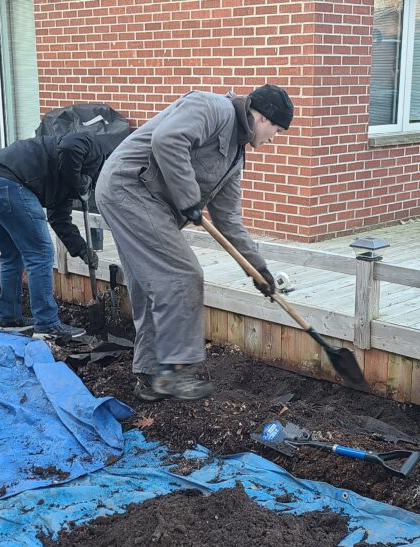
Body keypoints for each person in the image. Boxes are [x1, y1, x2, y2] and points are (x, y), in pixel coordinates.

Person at [95, 84, 293, 401]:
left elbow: (228, 219)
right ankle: (175, 371)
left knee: (152, 285)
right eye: (277, 130)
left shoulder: (234, 159)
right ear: (262, 117)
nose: (274, 139)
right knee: (182, 275)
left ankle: (150, 376)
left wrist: (260, 270)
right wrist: (189, 199)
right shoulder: (212, 108)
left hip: (148, 202)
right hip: (129, 187)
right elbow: (167, 140)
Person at [0, 131, 127, 336]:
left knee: (12, 255)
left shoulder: (63, 183)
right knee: (41, 253)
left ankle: (9, 318)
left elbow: (59, 219)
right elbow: (70, 145)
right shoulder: (97, 148)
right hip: (7, 181)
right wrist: (78, 179)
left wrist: (82, 249)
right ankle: (47, 324)